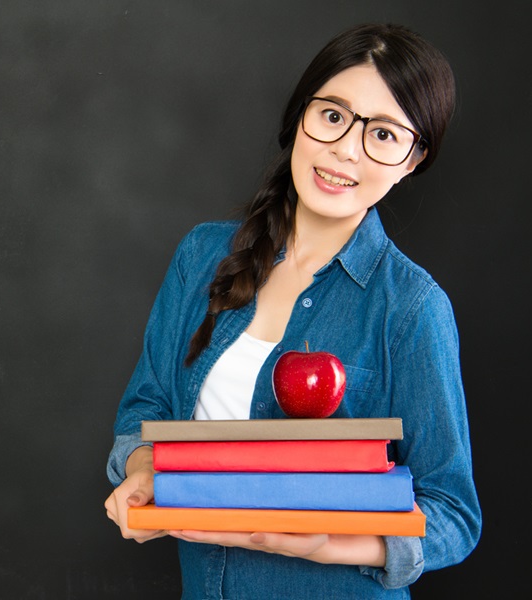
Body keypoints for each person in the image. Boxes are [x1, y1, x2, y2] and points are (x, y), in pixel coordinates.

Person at [104, 23, 481, 599]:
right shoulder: (203, 256)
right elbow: (147, 406)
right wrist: (144, 475)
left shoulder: (412, 307)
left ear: (413, 158)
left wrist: (330, 543)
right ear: (299, 117)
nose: (345, 150)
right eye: (333, 116)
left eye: (383, 134)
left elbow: (453, 512)